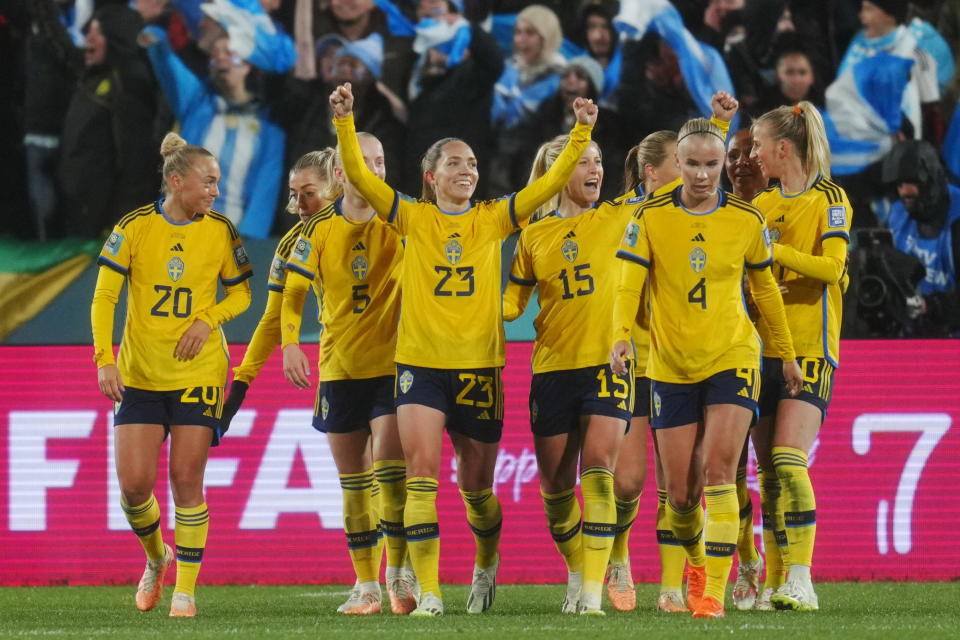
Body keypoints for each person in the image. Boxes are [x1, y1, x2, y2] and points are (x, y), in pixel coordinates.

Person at [330, 81, 597, 617]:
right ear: (431, 177)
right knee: (421, 477)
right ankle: (429, 592)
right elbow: (358, 174)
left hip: (478, 368)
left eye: (472, 162)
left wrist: (581, 133)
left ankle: (486, 562)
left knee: (476, 489)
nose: (467, 170)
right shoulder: (410, 216)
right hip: (420, 367)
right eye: (454, 163)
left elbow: (547, 185)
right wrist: (345, 122)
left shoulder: (495, 218)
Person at [610, 117, 802, 619]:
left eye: (711, 164)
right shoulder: (649, 216)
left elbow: (763, 292)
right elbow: (628, 285)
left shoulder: (745, 219)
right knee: (680, 494)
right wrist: (620, 336)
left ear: (721, 164)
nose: (701, 174)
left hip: (733, 356)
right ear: (677, 164)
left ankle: (711, 595)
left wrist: (785, 354)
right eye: (691, 164)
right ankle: (697, 565)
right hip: (671, 365)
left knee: (720, 471)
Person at [91, 132, 253, 617]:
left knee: (187, 479)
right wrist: (104, 359)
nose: (216, 192)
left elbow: (241, 295)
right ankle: (156, 558)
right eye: (208, 182)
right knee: (135, 487)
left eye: (218, 183)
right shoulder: (134, 227)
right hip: (139, 373)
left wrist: (209, 321)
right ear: (177, 181)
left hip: (200, 372)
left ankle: (185, 590)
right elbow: (104, 298)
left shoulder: (221, 230)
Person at [279, 135, 419, 616]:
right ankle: (366, 585)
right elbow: (293, 290)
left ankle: (399, 570)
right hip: (338, 368)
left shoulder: (403, 218)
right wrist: (291, 342)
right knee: (354, 483)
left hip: (393, 366)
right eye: (365, 162)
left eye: (381, 160)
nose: (375, 170)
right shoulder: (317, 230)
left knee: (391, 472)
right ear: (341, 172)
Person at [609, 93, 737, 614]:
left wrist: (721, 122)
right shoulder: (624, 217)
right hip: (632, 359)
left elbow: (713, 166)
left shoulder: (691, 209)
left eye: (704, 165)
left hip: (679, 355)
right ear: (652, 172)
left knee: (679, 483)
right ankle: (617, 559)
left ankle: (673, 583)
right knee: (629, 480)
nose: (696, 177)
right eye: (681, 168)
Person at [501, 135, 631, 615]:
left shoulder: (620, 215)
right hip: (553, 369)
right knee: (556, 489)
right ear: (558, 174)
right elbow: (513, 303)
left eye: (599, 159)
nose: (595, 168)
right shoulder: (534, 236)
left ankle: (593, 593)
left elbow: (673, 188)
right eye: (583, 162)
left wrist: (718, 128)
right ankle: (579, 571)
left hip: (608, 364)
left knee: (598, 473)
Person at [749, 101, 853, 611]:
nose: (753, 154)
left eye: (757, 145)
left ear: (782, 148)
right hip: (760, 351)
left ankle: (803, 579)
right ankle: (774, 582)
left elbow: (833, 268)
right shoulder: (761, 206)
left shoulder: (831, 198)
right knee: (767, 477)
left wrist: (774, 252)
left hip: (810, 347)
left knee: (790, 463)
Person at [222, 149, 338, 427]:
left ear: (336, 187)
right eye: (294, 194)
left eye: (309, 193)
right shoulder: (291, 245)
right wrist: (236, 394)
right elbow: (273, 317)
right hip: (338, 364)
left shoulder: (372, 225)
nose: (300, 204)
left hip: (389, 361)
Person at [140, 24, 285, 238]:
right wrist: (158, 40)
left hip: (235, 237)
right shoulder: (196, 104)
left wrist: (245, 243)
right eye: (215, 54)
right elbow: (169, 67)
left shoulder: (271, 134)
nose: (221, 58)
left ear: (247, 64)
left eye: (229, 52)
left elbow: (264, 195)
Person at [59, 3, 159, 238]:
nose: (88, 38)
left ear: (117, 36)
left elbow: (135, 165)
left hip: (105, 224)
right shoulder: (91, 79)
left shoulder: (128, 85)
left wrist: (119, 225)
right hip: (80, 214)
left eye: (98, 32)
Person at [723, 126, 770, 611]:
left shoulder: (777, 213)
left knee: (773, 468)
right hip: (724, 354)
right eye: (731, 155)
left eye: (747, 154)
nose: (739, 162)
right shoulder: (709, 213)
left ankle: (777, 570)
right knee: (729, 469)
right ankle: (746, 558)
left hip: (772, 353)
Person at [879, 139, 960, 337]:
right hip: (912, 330)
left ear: (930, 179)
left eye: (910, 182)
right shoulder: (898, 214)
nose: (904, 190)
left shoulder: (957, 217)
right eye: (899, 184)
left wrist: (931, 306)